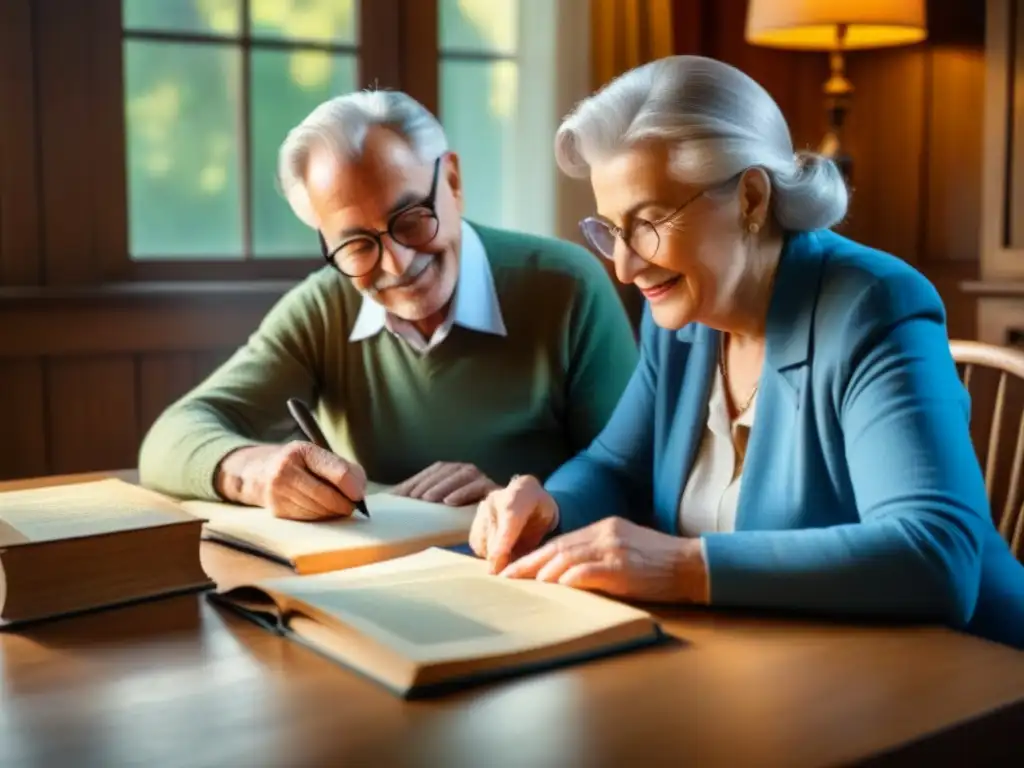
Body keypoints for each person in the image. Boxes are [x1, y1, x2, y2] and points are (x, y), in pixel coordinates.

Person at [469, 55, 1024, 650]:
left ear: (751, 199)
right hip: (776, 664)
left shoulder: (873, 306)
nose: (626, 267)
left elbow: (936, 554)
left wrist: (683, 566)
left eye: (650, 221)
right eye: (611, 229)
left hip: (962, 681)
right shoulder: (683, 316)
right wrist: (549, 507)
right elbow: (612, 466)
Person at [138, 90, 638, 521]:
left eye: (411, 218)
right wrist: (258, 472)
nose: (397, 265)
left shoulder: (567, 286)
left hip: (538, 577)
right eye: (356, 244)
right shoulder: (322, 308)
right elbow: (169, 438)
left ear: (454, 183)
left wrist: (535, 507)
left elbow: (630, 474)